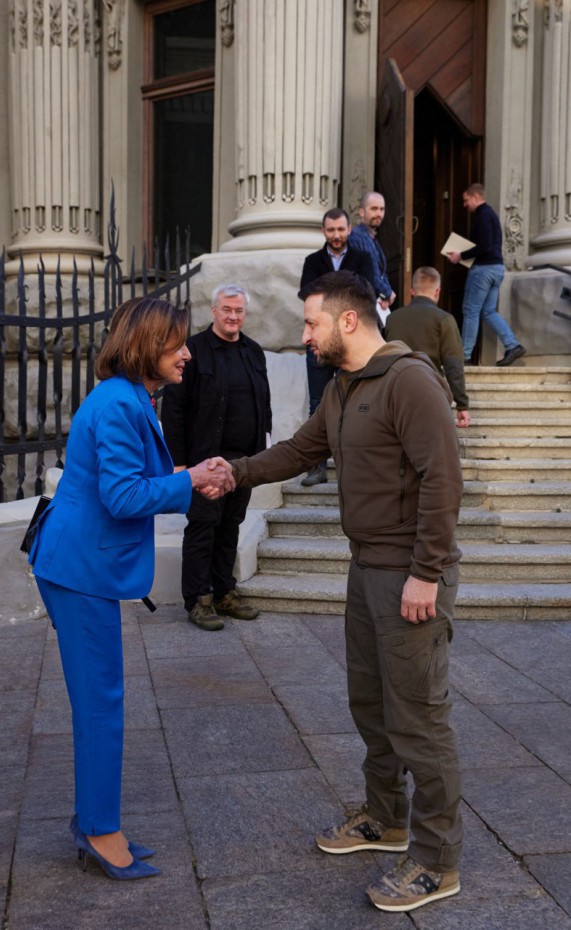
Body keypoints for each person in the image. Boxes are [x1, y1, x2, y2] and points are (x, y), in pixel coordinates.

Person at [211, 270, 464, 913]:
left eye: (312, 322)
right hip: (366, 568)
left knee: (419, 720)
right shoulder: (346, 388)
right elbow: (300, 450)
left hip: (410, 574)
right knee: (371, 704)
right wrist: (234, 472)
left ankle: (437, 860)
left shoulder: (410, 380)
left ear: (347, 321)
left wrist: (426, 574)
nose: (306, 334)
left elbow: (443, 479)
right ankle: (387, 818)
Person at [29, 297, 234, 880]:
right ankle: (98, 830)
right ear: (147, 345)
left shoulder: (127, 397)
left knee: (102, 700)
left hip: (78, 564)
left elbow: (132, 482)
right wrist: (191, 480)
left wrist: (188, 477)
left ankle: (95, 820)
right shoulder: (119, 404)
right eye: (177, 343)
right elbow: (122, 499)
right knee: (101, 703)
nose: (188, 353)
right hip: (78, 570)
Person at [162, 284, 271, 631]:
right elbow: (175, 410)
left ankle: (224, 592)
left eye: (239, 311)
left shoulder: (254, 352)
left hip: (243, 463)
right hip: (204, 461)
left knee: (230, 526)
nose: (233, 316)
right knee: (203, 527)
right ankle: (198, 599)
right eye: (227, 309)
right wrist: (179, 464)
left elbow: (263, 404)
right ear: (213, 311)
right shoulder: (193, 351)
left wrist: (262, 455)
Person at [299, 208, 375, 486]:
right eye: (331, 230)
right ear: (324, 231)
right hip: (320, 342)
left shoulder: (362, 258)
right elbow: (307, 293)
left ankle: (356, 466)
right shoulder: (312, 260)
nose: (336, 235)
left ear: (349, 230)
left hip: (352, 341)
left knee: (360, 402)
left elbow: (368, 290)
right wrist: (344, 287)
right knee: (318, 404)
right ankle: (316, 467)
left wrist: (327, 291)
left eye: (340, 229)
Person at [446, 183, 526, 366]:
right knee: (488, 311)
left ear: (475, 197)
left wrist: (460, 256)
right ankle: (512, 345)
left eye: (466, 200)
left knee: (470, 310)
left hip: (483, 270)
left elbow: (485, 246)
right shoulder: (490, 214)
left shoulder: (483, 215)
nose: (465, 205)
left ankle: (464, 355)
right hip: (497, 268)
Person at [385, 266, 471, 428]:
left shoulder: (392, 319)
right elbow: (453, 365)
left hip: (395, 392)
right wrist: (462, 404)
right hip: (430, 392)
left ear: (412, 291)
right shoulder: (444, 319)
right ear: (437, 292)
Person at [349, 191, 396, 325]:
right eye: (374, 209)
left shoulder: (372, 239)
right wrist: (387, 292)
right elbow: (369, 271)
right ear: (361, 212)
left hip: (374, 304)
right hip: (361, 305)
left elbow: (381, 273)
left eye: (382, 209)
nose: (379, 213)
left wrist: (386, 295)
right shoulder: (356, 236)